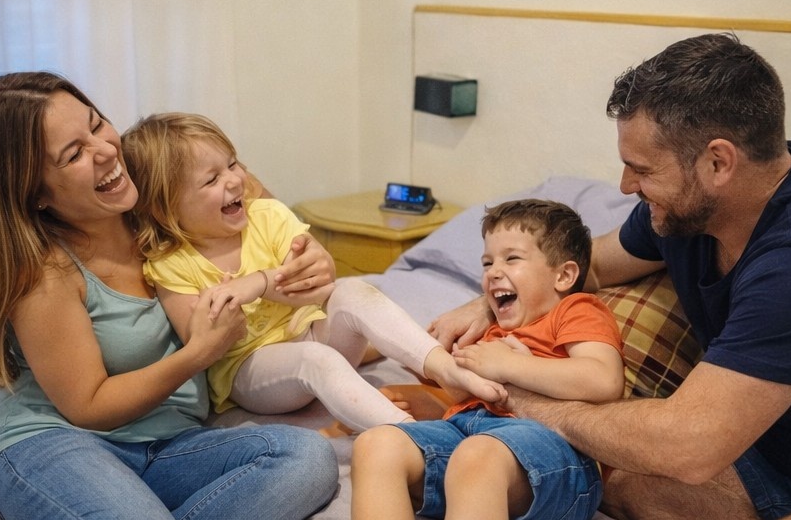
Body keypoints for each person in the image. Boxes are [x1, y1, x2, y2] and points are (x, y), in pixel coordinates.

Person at [430, 33, 791, 520]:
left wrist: (525, 400)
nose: (625, 186)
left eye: (641, 169)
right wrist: (498, 296)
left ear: (718, 161)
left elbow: (688, 445)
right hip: (772, 449)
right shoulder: (682, 211)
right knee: (616, 481)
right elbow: (589, 265)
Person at [0, 73, 339, 520]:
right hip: (59, 441)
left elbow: (268, 217)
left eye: (98, 124)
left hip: (165, 444)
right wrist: (198, 354)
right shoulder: (45, 271)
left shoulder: (158, 193)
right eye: (75, 152)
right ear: (33, 194)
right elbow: (88, 406)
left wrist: (313, 261)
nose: (107, 150)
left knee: (307, 459)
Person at [119, 112, 505, 434]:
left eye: (232, 163)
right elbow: (200, 342)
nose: (235, 180)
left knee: (355, 291)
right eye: (211, 179)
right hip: (251, 369)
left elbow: (317, 287)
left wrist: (259, 283)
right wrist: (221, 314)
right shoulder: (170, 263)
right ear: (165, 207)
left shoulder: (266, 215)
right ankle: (411, 434)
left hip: (311, 329)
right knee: (316, 361)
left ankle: (446, 371)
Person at [343, 199, 624, 520]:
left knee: (478, 455)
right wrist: (434, 384)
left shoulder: (575, 309)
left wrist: (509, 365)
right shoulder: (490, 325)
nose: (494, 272)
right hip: (472, 440)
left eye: (512, 258)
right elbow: (465, 400)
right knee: (376, 445)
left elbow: (603, 380)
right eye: (488, 261)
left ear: (564, 275)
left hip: (554, 460)